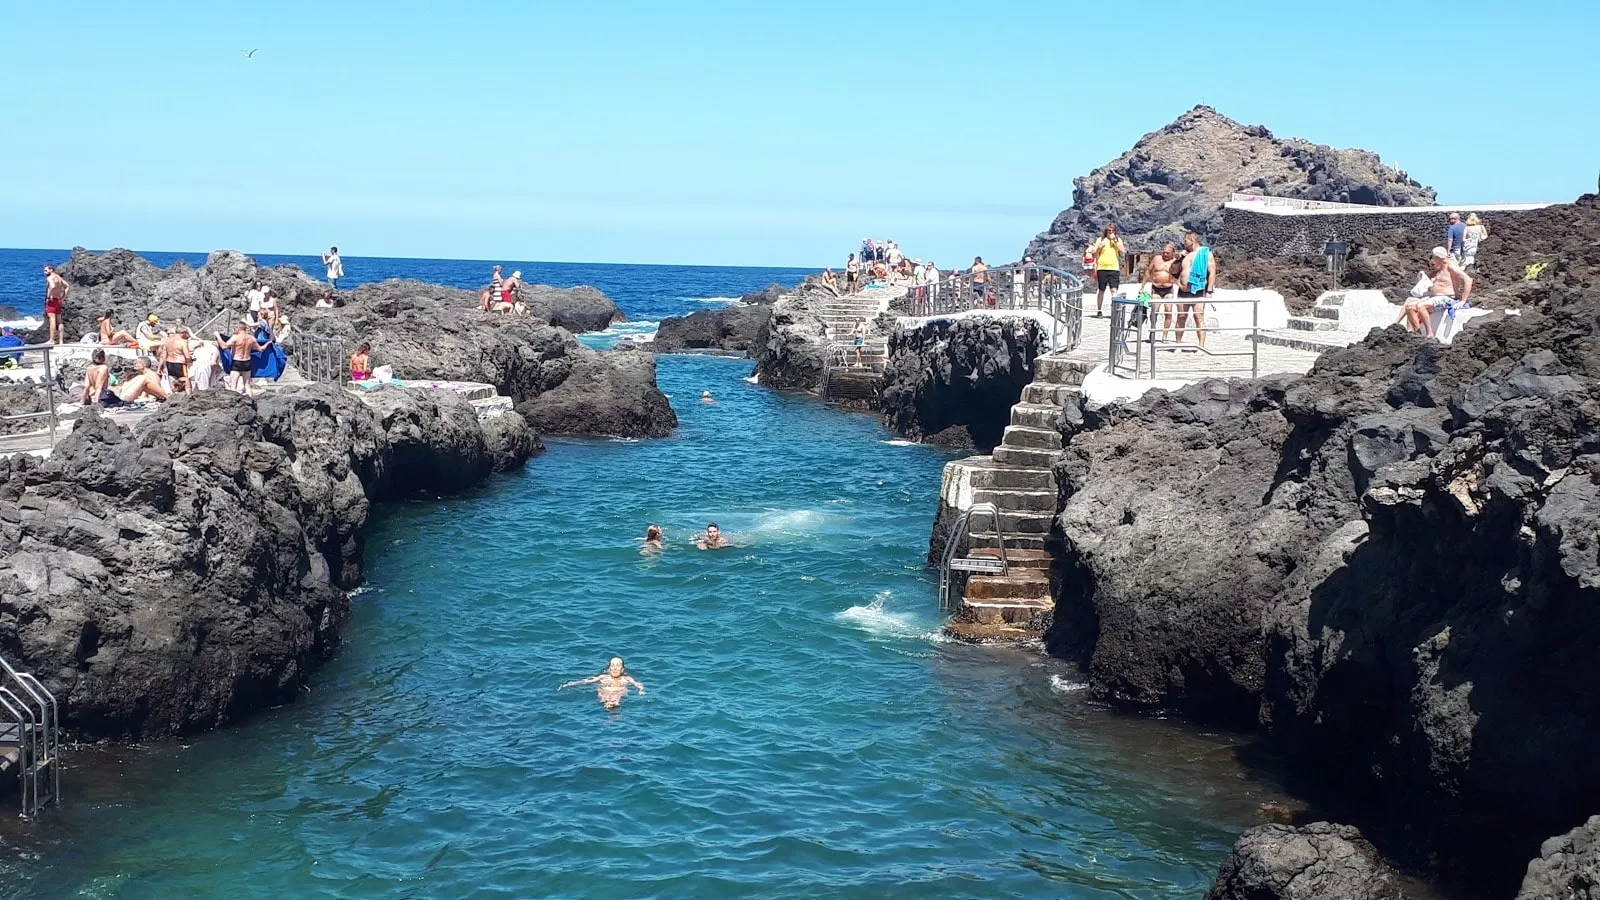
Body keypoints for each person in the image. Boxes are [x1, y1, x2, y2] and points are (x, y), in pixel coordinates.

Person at [1402, 247, 1472, 339]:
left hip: (1446, 297)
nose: (1432, 260)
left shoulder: (1450, 266)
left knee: (1421, 306)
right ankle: (1417, 334)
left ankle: (1430, 334)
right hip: (1435, 298)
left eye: (1434, 258)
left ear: (1439, 258)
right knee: (1409, 307)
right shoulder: (1440, 268)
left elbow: (1468, 280)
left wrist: (1463, 300)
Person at [1177, 232, 1218, 349]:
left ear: (1192, 241)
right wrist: (1179, 258)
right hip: (1182, 291)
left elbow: (1212, 272)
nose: (1184, 243)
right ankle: (1178, 344)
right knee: (1181, 317)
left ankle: (1201, 346)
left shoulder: (1206, 254)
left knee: (1198, 317)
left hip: (1198, 290)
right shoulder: (1186, 255)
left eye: (1186, 241)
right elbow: (1175, 271)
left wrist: (1209, 291)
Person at [558, 657, 645, 711]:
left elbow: (638, 684)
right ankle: (609, 708)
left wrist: (641, 690)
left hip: (618, 692)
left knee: (616, 698)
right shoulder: (603, 677)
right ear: (609, 668)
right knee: (606, 699)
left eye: (618, 665)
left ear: (622, 669)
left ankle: (614, 707)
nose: (615, 668)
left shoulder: (626, 679)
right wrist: (571, 684)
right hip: (605, 691)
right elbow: (586, 681)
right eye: (612, 665)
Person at [1141, 244, 1182, 343]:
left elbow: (1181, 274)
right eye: (1164, 252)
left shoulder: (1175, 262)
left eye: (1168, 253)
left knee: (1168, 312)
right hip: (1156, 288)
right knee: (1154, 312)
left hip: (1168, 289)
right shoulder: (1156, 259)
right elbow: (1148, 272)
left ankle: (1165, 335)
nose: (1165, 254)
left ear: (1173, 253)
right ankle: (1152, 332)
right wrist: (1142, 286)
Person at [1087, 224, 1126, 317]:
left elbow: (1123, 250)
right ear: (1106, 231)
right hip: (1102, 268)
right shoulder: (1100, 240)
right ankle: (1099, 310)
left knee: (1114, 290)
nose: (1111, 233)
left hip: (1114, 268)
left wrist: (1114, 240)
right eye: (1109, 231)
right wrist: (1099, 247)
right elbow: (1094, 253)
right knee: (1101, 290)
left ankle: (1114, 311)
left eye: (1113, 231)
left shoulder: (1118, 240)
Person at [223, 322, 272, 396]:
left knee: (233, 386)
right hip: (247, 362)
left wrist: (218, 336)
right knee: (247, 385)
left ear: (238, 328)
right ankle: (250, 400)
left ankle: (233, 401)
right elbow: (261, 349)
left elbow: (224, 346)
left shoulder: (235, 337)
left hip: (237, 362)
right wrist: (267, 343)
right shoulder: (251, 338)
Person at [159, 328, 194, 395]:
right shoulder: (183, 342)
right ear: (184, 333)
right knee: (186, 381)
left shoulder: (167, 341)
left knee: (173, 382)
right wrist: (190, 361)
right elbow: (187, 356)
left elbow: (163, 355)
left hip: (169, 363)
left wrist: (163, 366)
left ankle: (174, 396)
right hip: (180, 364)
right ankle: (189, 396)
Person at [43, 264, 69, 345]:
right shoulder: (58, 277)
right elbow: (67, 286)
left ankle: (51, 340)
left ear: (51, 270)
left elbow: (53, 286)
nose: (44, 272)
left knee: (52, 320)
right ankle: (61, 341)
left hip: (52, 301)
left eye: (46, 270)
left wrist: (49, 296)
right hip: (58, 300)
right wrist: (63, 297)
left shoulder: (50, 277)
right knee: (59, 320)